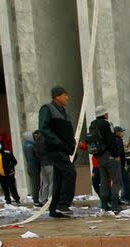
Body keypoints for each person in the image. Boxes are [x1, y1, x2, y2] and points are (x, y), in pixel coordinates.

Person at [38, 86, 76, 218]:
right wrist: (58, 142)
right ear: (57, 96)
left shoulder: (64, 112)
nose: (67, 98)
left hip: (63, 149)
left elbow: (67, 132)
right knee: (70, 171)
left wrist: (71, 146)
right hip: (54, 148)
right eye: (65, 95)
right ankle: (63, 204)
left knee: (59, 177)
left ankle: (54, 209)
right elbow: (44, 128)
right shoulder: (47, 109)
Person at [88, 106, 122, 212]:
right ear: (104, 114)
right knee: (116, 180)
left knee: (104, 181)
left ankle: (104, 204)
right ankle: (115, 204)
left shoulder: (92, 124)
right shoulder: (106, 124)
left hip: (99, 157)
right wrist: (115, 154)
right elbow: (110, 140)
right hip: (109, 155)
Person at [22, 131, 42, 206]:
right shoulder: (30, 146)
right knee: (35, 184)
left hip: (31, 166)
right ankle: (36, 201)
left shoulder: (26, 144)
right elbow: (34, 157)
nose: (35, 137)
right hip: (33, 166)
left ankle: (36, 200)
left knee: (35, 183)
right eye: (34, 136)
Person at [34, 130, 53, 205]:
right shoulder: (47, 140)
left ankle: (43, 199)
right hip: (49, 163)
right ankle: (51, 198)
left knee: (45, 183)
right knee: (51, 182)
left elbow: (37, 154)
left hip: (42, 164)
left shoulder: (37, 142)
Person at [114, 126, 130, 203]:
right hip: (119, 164)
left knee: (118, 182)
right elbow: (120, 153)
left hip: (115, 164)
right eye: (121, 131)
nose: (122, 133)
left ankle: (117, 198)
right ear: (117, 132)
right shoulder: (119, 140)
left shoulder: (113, 140)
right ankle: (126, 197)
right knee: (125, 181)